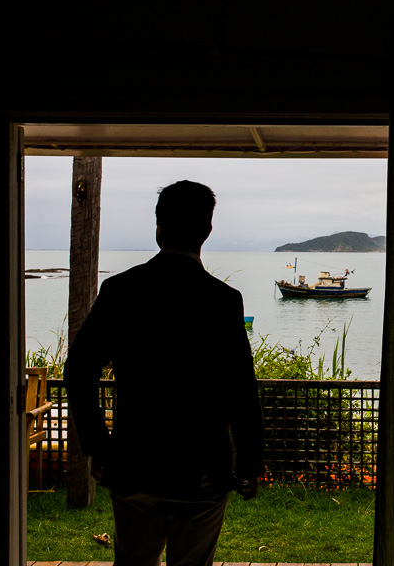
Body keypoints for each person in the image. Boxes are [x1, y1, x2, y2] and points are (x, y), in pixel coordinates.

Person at [64, 180, 265, 566]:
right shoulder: (223, 300)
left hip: (133, 463)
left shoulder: (120, 290)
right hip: (203, 470)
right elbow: (241, 389)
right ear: (207, 231)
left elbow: (78, 370)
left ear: (159, 228)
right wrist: (250, 463)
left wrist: (99, 445)